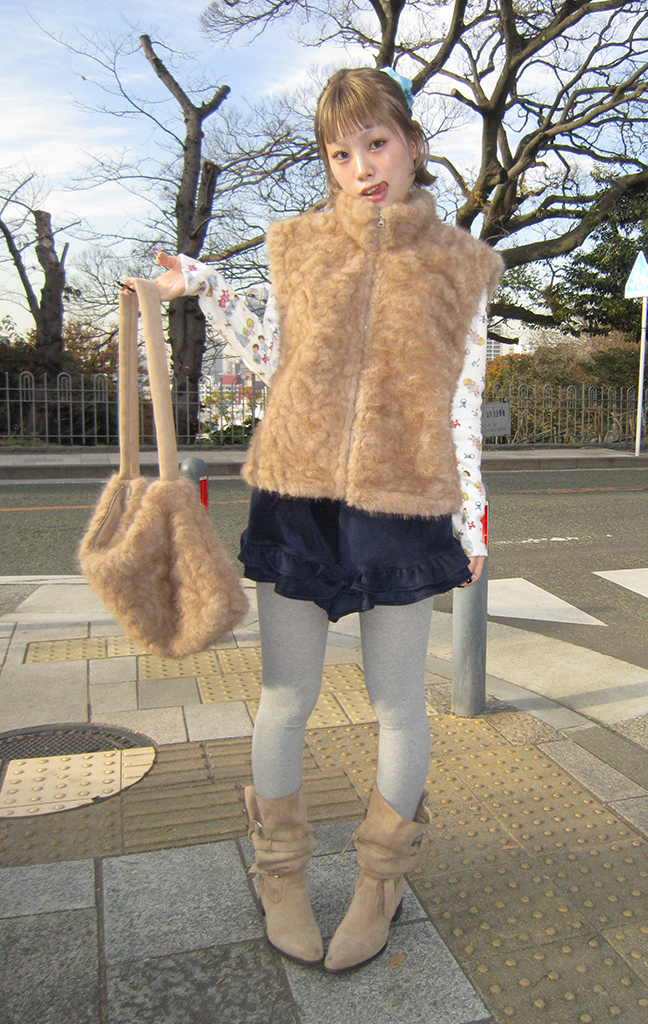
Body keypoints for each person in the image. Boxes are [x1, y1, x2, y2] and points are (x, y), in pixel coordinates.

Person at [131, 66, 503, 972]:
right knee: (286, 697)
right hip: (299, 498)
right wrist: (207, 284)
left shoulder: (460, 264)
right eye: (341, 152)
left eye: (376, 143)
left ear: (411, 143)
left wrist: (473, 516)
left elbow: (461, 398)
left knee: (397, 704)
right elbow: (273, 359)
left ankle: (381, 881)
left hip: (403, 501)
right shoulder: (297, 247)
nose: (362, 166)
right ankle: (281, 873)